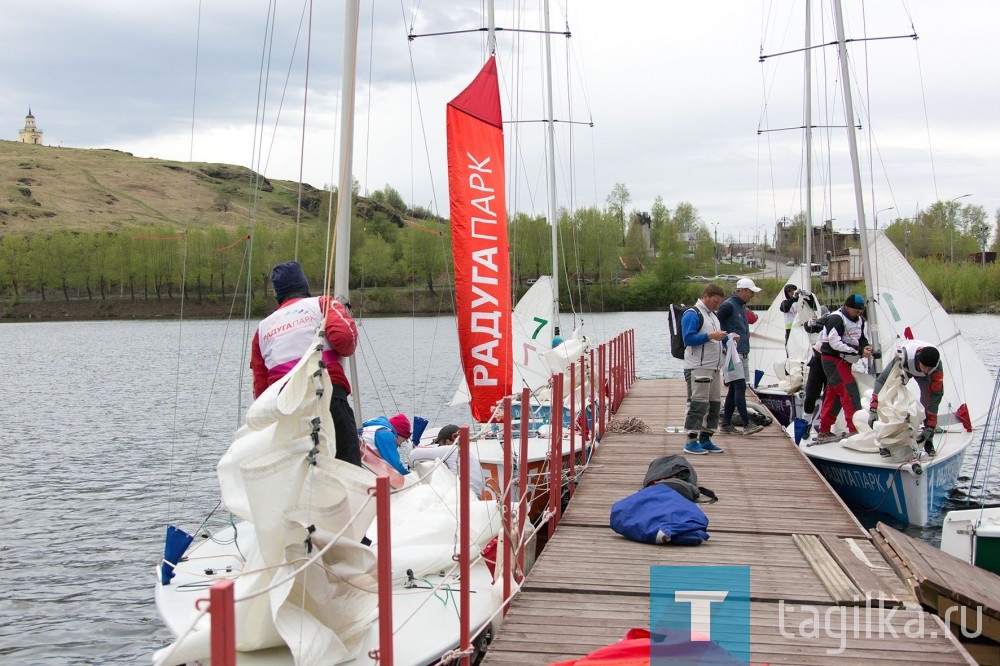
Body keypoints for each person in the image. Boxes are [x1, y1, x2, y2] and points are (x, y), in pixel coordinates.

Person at [250, 260, 362, 467]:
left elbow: (261, 390)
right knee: (346, 468)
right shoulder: (322, 304)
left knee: (298, 471)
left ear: (277, 294)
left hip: (285, 409)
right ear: (305, 286)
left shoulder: (263, 328)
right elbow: (345, 341)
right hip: (327, 396)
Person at [813, 294, 872, 443]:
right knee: (849, 392)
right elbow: (834, 343)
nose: (858, 314)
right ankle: (855, 430)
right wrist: (859, 351)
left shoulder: (859, 320)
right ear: (847, 307)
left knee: (835, 395)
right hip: (832, 360)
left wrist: (866, 347)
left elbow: (861, 339)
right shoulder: (836, 318)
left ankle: (824, 430)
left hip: (846, 361)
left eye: (860, 311)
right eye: (856, 311)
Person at [868, 341, 943, 456]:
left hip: (925, 378)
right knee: (889, 397)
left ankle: (928, 441)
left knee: (927, 401)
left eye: (930, 368)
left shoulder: (936, 368)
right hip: (905, 368)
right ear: (919, 360)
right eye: (925, 366)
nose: (927, 370)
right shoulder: (902, 357)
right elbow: (881, 381)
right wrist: (873, 408)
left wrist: (930, 427)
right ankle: (884, 441)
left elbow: (935, 396)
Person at [680, 283, 730, 455]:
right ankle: (691, 440)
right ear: (706, 296)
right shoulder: (692, 314)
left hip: (714, 366)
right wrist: (711, 336)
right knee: (697, 403)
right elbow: (688, 339)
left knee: (714, 403)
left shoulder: (713, 316)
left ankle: (706, 438)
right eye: (715, 302)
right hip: (698, 367)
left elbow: (715, 338)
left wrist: (727, 338)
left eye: (719, 303)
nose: (717, 305)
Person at [716, 278, 765, 436]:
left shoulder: (741, 306)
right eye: (751, 292)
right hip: (732, 353)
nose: (752, 295)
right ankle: (747, 423)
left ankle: (726, 424)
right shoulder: (728, 305)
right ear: (742, 290)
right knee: (740, 386)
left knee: (734, 389)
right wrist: (726, 338)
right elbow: (715, 325)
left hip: (742, 352)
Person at [409, 424, 485, 498]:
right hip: (475, 497)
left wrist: (412, 469)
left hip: (460, 497)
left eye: (440, 444)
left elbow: (414, 455)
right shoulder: (470, 455)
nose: (440, 447)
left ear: (448, 442)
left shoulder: (450, 449)